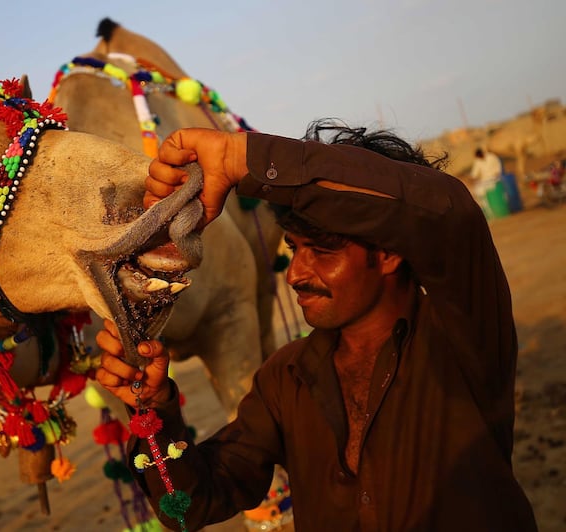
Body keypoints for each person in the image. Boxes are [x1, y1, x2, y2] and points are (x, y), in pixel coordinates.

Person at [95, 120, 537, 531]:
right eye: (294, 248)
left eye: (323, 251)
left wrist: (240, 159)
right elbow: (189, 506)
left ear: (389, 253)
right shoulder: (286, 377)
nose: (295, 273)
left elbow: (444, 209)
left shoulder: (463, 340)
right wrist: (154, 409)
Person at [470, 147, 503, 212]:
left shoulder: (491, 157)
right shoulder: (477, 161)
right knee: (478, 190)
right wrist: (472, 178)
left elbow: (498, 164)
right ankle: (486, 209)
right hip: (485, 180)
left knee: (491, 187)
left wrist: (498, 172)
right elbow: (474, 173)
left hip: (495, 178)